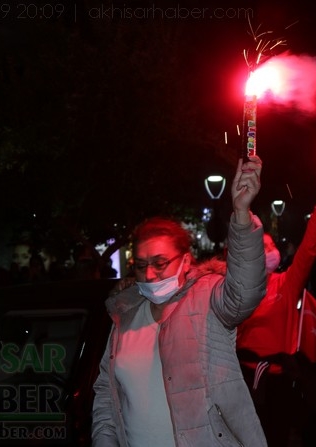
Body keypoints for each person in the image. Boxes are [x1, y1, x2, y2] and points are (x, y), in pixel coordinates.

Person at [91, 156, 267, 447]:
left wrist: (241, 214)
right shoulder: (125, 316)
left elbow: (245, 292)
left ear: (185, 261)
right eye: (141, 265)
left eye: (160, 263)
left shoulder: (207, 300)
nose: (149, 273)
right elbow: (107, 397)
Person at [236, 170, 316, 447]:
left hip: (278, 380)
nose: (269, 249)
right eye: (262, 245)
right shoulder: (234, 286)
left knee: (276, 436)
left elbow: (307, 250)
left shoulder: (286, 284)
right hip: (243, 381)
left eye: (271, 244)